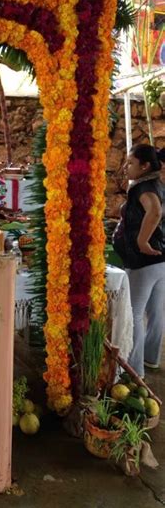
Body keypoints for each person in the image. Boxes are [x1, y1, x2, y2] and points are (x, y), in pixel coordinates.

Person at [113, 144, 165, 377]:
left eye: (131, 163)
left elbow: (154, 211)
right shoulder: (158, 184)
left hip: (144, 260)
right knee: (156, 311)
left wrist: (143, 242)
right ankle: (151, 358)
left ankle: (135, 370)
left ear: (145, 166)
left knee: (133, 313)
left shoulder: (144, 187)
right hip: (160, 259)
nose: (126, 167)